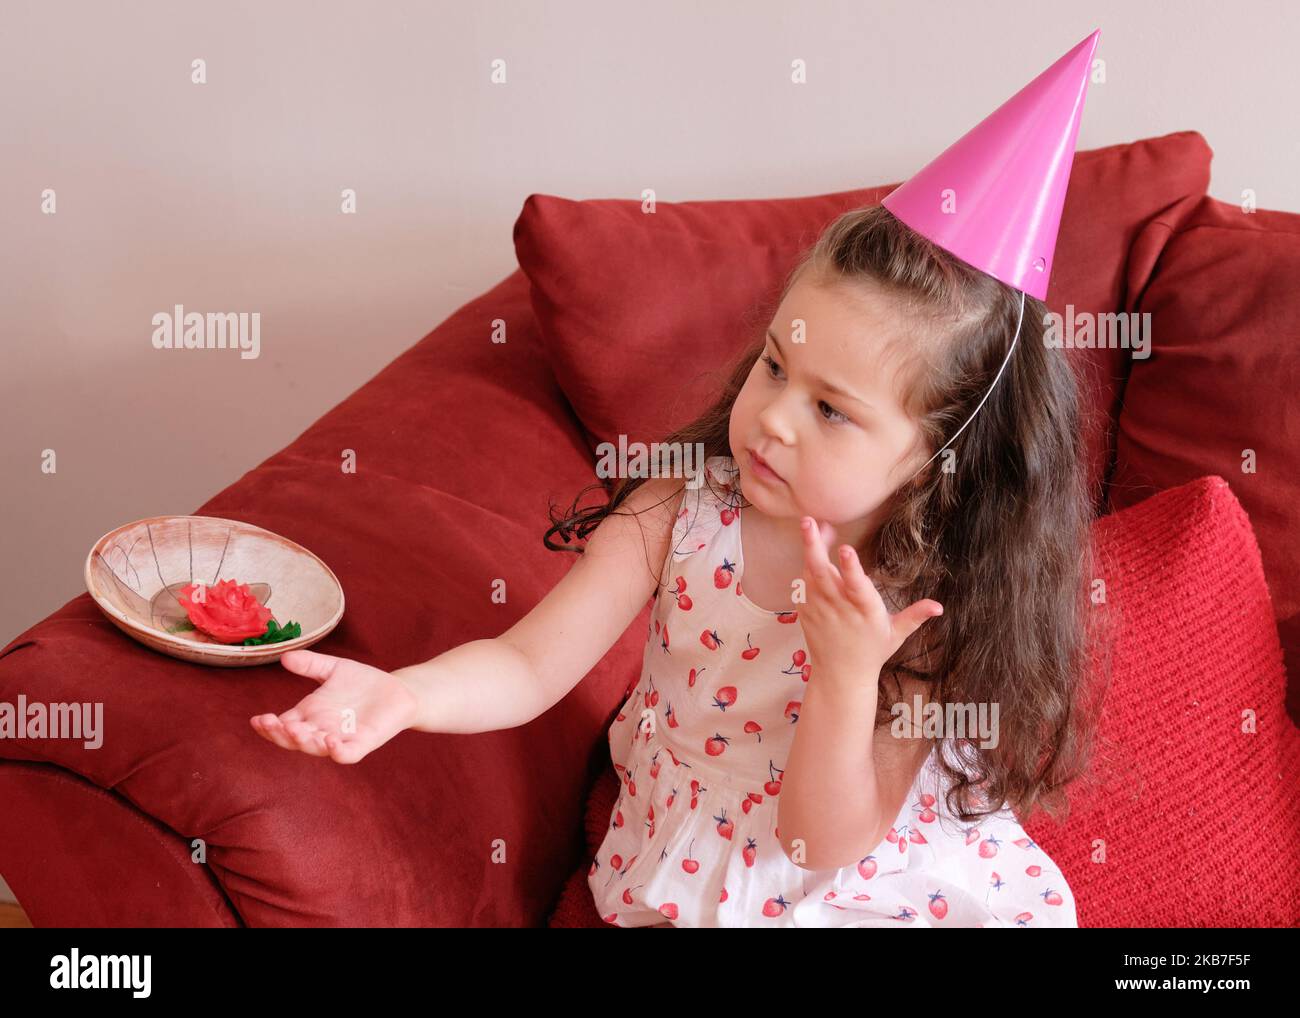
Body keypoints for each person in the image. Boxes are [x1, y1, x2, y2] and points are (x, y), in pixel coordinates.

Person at [250, 30, 1108, 927]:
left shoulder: (926, 607)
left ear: (938, 459)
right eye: (777, 366)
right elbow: (527, 662)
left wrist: (850, 679)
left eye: (832, 411)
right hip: (705, 855)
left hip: (862, 871)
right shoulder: (678, 515)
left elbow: (822, 845)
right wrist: (405, 695)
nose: (772, 416)